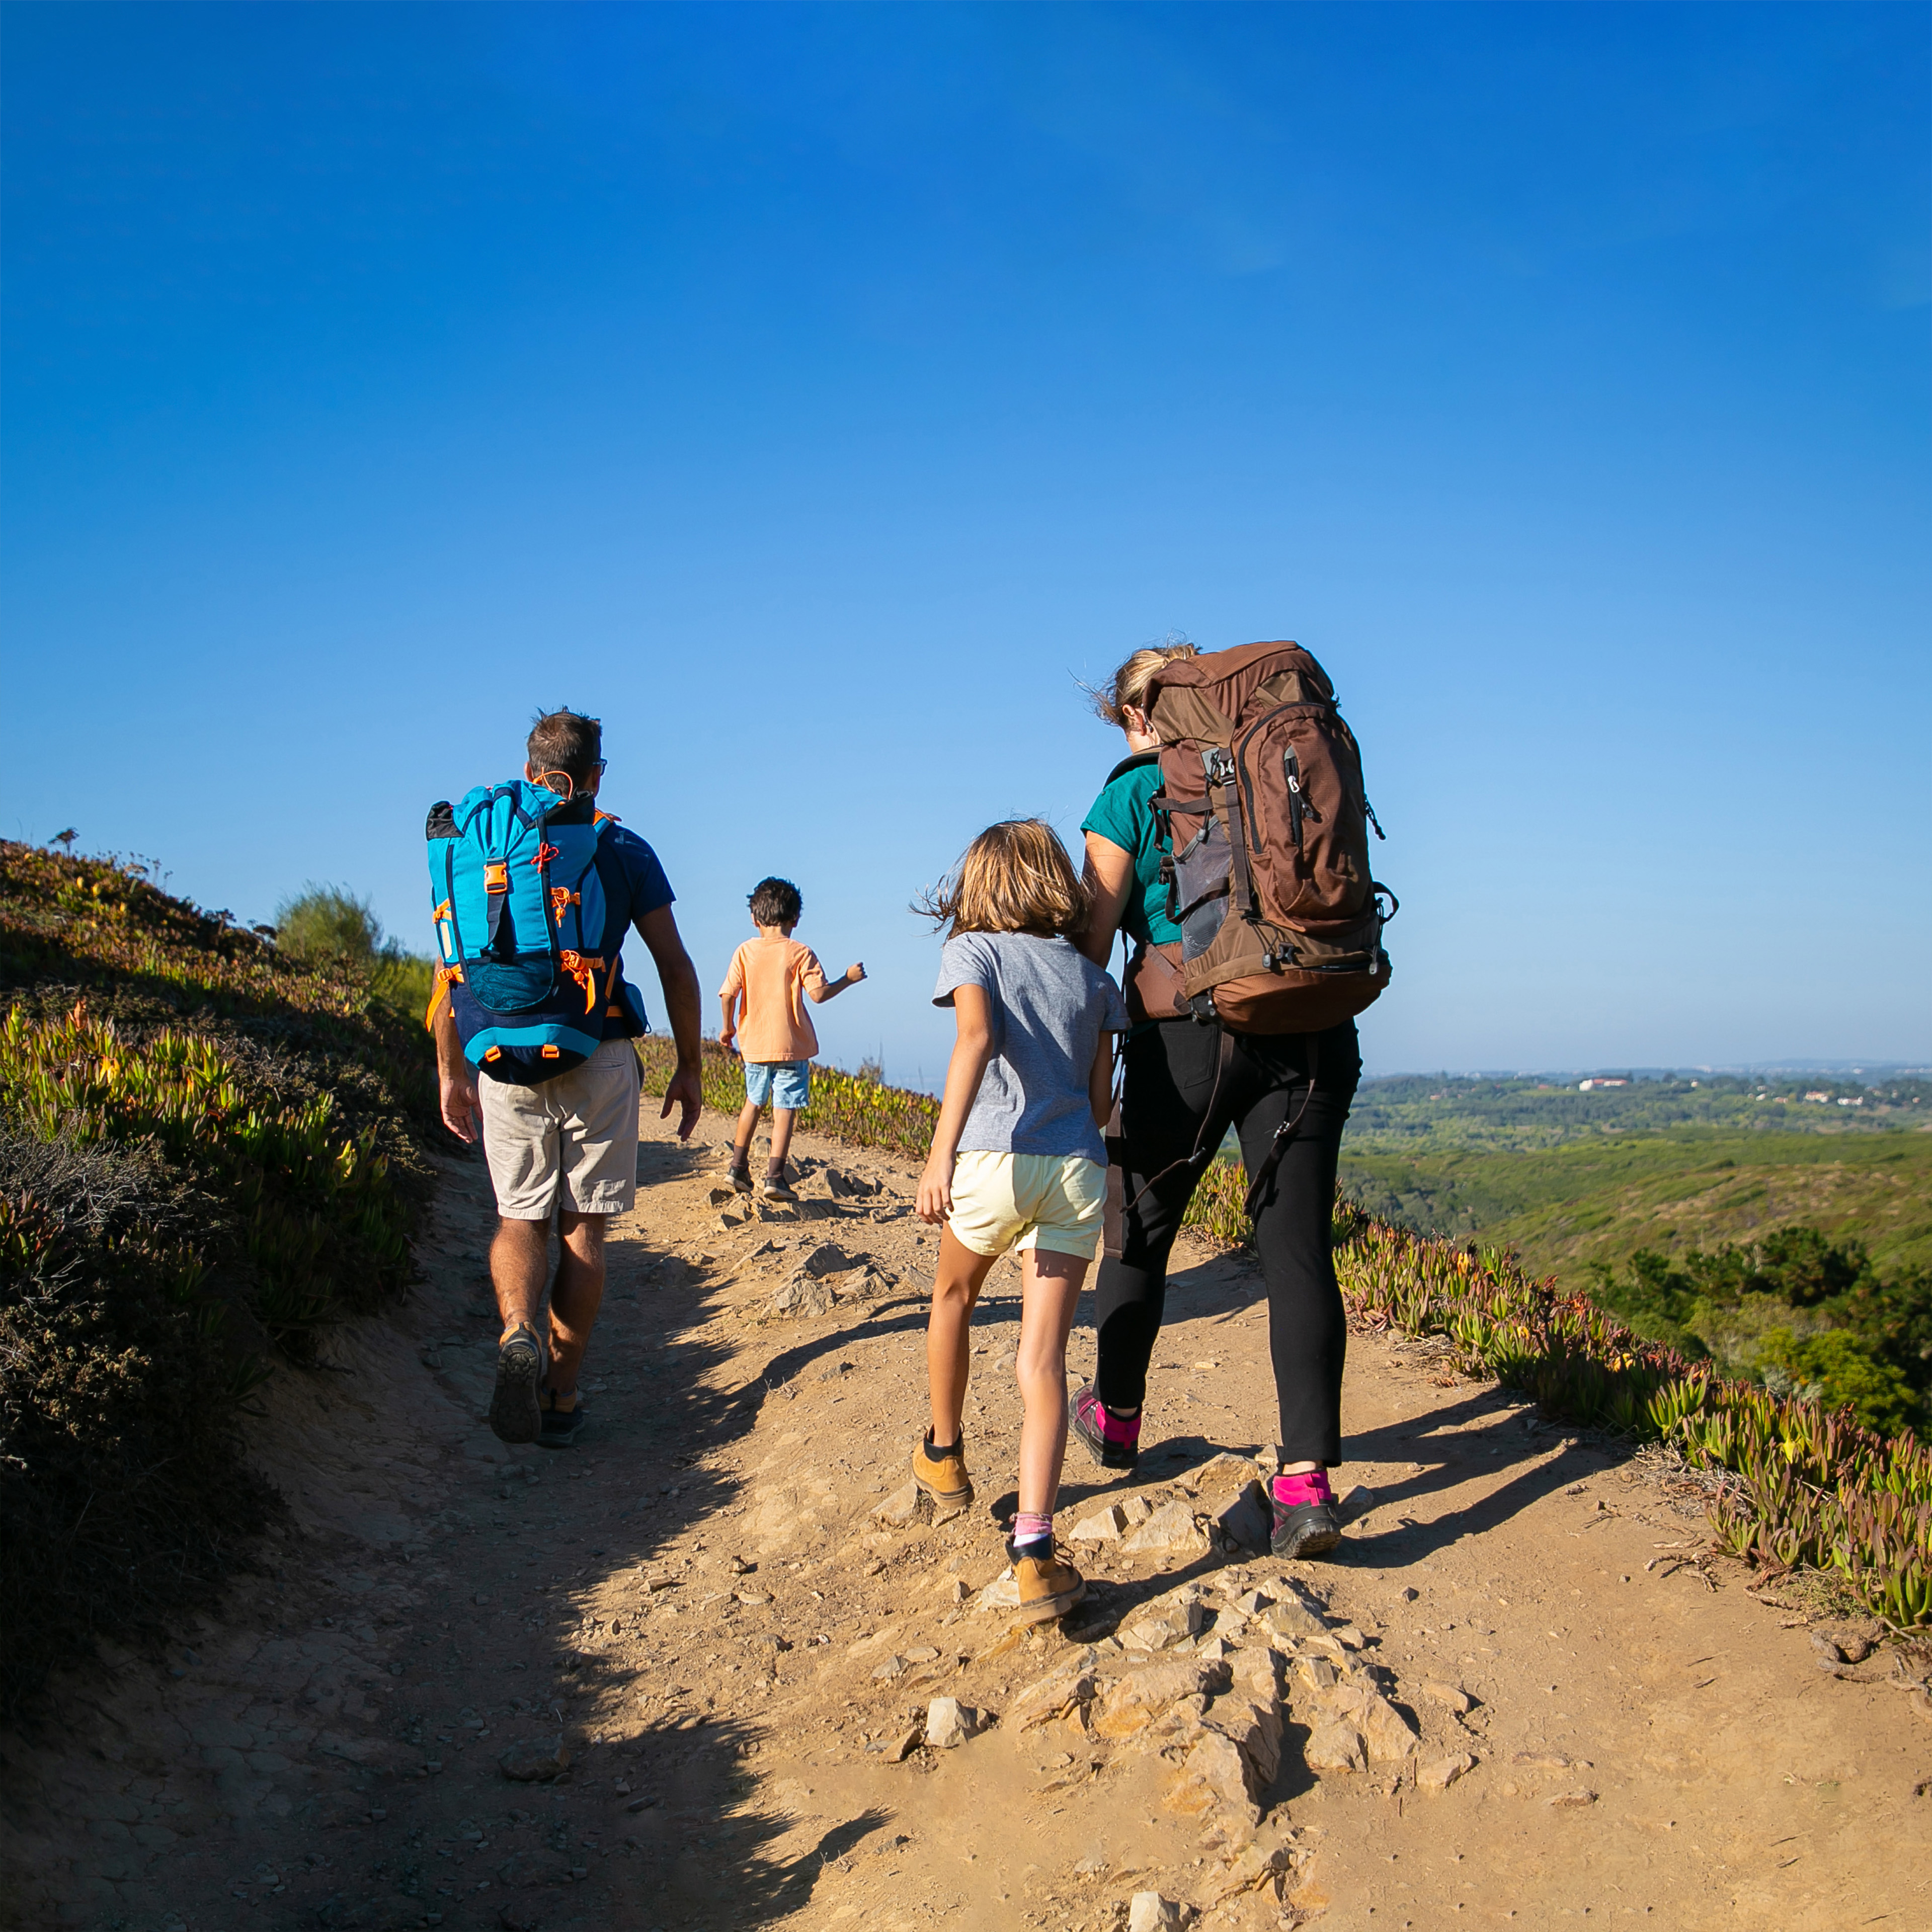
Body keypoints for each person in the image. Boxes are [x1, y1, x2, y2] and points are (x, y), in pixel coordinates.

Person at [1069, 644, 1364, 1558]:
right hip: (1311, 1019)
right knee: (1298, 1250)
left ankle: (1117, 1419)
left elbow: (1091, 945)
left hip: (1186, 1034)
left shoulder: (1131, 794)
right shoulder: (1287, 760)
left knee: (1139, 1226)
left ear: (1139, 715)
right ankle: (1305, 1487)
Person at [430, 709, 704, 1450]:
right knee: (584, 1231)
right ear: (596, 777)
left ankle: (518, 1329)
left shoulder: (478, 846)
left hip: (500, 1056)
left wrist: (451, 1071)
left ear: (529, 769)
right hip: (596, 1052)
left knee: (519, 1220)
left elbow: (450, 968)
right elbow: (675, 966)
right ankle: (560, 1394)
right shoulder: (622, 846)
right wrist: (688, 1066)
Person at [911, 820, 1126, 1623]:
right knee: (1044, 1361)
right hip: (1076, 1170)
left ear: (981, 884)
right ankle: (1035, 1550)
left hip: (993, 1160)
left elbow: (975, 1038)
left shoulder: (973, 952)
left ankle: (944, 1455)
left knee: (953, 1299)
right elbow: (1100, 1103)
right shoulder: (1094, 976)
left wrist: (940, 1156)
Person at [717, 876, 866, 1200]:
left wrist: (728, 1028)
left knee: (753, 1102)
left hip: (755, 1045)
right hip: (791, 1046)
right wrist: (848, 979)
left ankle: (738, 1168)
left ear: (754, 918)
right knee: (785, 1109)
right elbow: (819, 995)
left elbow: (728, 994)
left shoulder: (744, 952)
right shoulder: (800, 952)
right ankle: (774, 1177)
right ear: (796, 918)